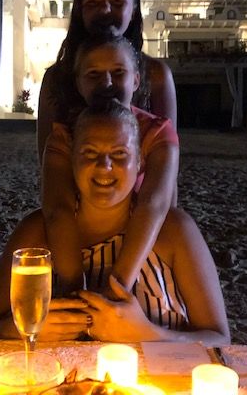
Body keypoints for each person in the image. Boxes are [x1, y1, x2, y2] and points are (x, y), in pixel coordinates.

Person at [0, 101, 230, 344]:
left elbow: (219, 338)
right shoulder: (37, 232)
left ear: (139, 162)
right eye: (90, 152)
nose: (104, 165)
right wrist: (22, 328)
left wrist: (149, 334)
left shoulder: (173, 230)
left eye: (119, 153)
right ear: (72, 160)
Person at [42, 34, 179, 298]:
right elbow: (57, 209)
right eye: (94, 74)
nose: (106, 83)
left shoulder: (157, 133)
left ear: (136, 80)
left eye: (118, 73)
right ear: (79, 83)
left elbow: (154, 205)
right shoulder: (63, 137)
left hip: (144, 244)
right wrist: (73, 286)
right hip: (77, 242)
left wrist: (118, 286)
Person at [37, 0, 177, 162]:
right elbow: (47, 159)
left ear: (134, 10)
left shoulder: (156, 74)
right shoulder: (57, 78)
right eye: (92, 2)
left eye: (117, 2)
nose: (105, 9)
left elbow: (167, 156)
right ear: (80, 10)